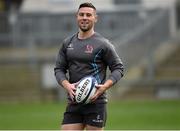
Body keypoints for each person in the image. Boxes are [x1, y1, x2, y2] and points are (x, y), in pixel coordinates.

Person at [54, 2, 124, 130]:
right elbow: (59, 69)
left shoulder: (103, 44)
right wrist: (67, 86)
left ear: (95, 18)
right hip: (74, 102)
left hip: (96, 103)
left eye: (88, 15)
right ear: (77, 17)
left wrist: (105, 86)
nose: (84, 17)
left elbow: (118, 68)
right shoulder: (67, 43)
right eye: (81, 14)